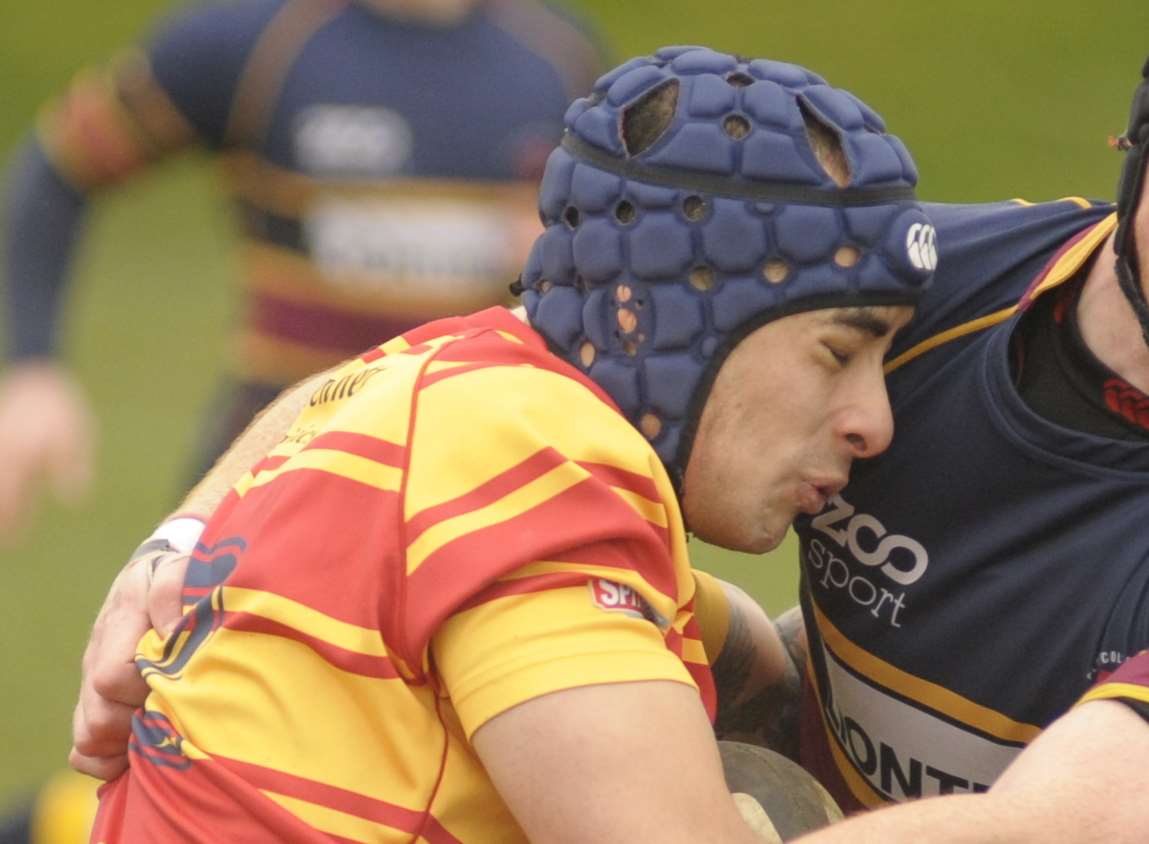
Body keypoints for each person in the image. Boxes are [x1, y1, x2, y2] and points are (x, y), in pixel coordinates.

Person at [73, 49, 1149, 844]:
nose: (876, 419)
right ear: (671, 320)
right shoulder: (547, 467)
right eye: (839, 354)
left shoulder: (461, 379)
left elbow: (1100, 808)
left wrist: (180, 538)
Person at [0, 0, 605, 537]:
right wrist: (32, 371)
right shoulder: (248, 43)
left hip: (479, 480)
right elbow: (58, 172)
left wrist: (562, 250)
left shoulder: (558, 56)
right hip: (272, 470)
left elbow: (618, 260)